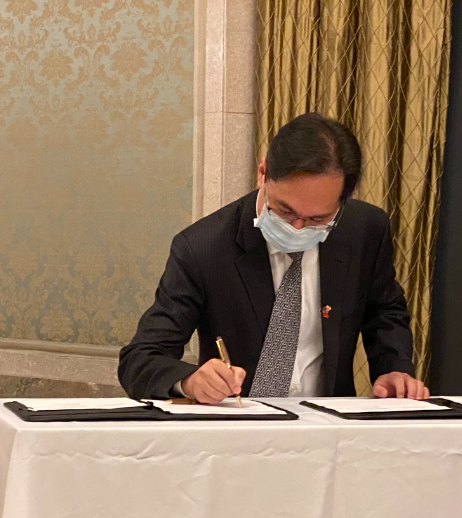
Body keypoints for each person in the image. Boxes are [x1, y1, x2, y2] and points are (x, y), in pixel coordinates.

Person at [118, 113, 428, 404]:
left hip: (327, 424)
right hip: (239, 423)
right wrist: (189, 381)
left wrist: (393, 368)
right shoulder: (203, 248)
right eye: (285, 211)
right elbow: (141, 359)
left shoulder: (365, 230)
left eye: (317, 219)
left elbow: (384, 310)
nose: (298, 228)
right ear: (263, 172)